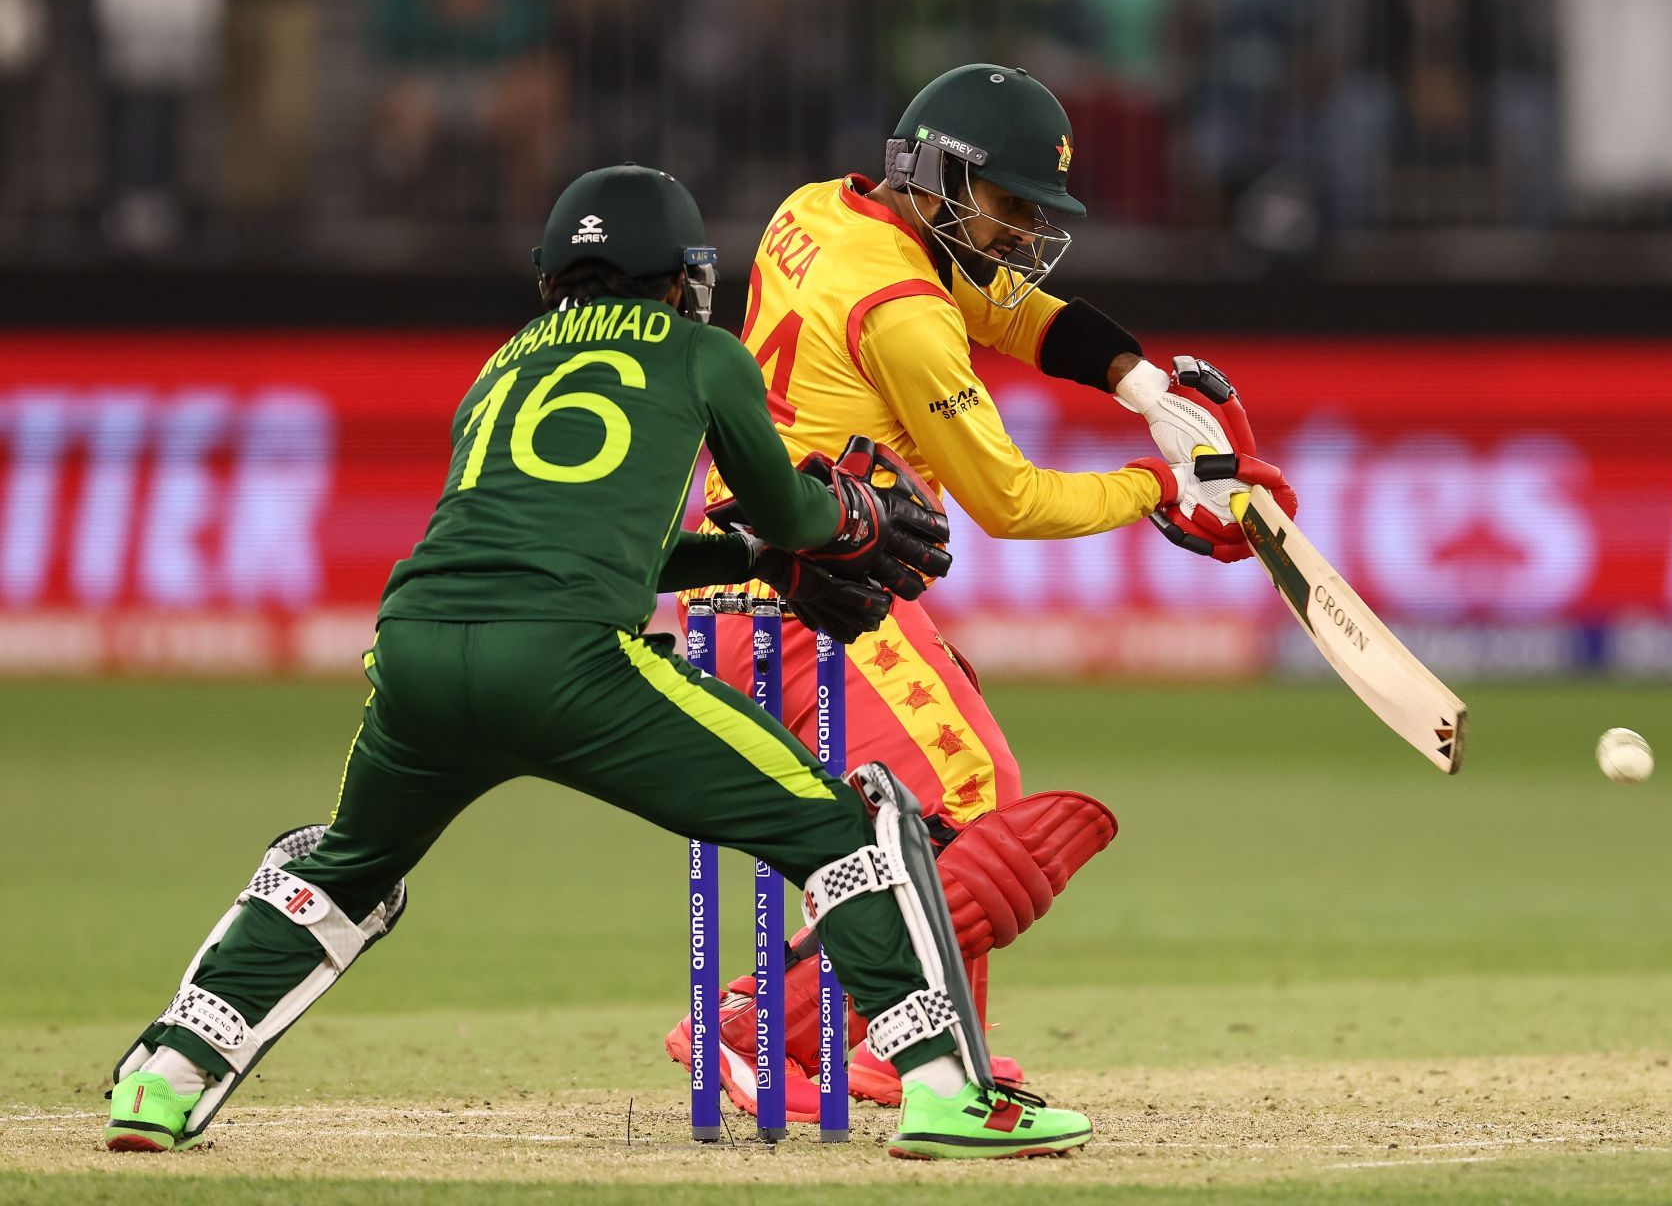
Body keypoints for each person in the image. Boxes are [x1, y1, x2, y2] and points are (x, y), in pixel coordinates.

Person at [101, 163, 1094, 1161]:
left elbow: (598, 539)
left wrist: (749, 559)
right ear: (681, 276)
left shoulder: (502, 365)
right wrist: (852, 516)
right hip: (572, 662)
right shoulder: (705, 354)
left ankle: (162, 1076)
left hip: (415, 649)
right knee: (842, 830)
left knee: (347, 870)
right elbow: (797, 510)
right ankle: (945, 1093)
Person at [663, 63, 1296, 1121]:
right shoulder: (902, 307)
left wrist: (1141, 387)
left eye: (1037, 212)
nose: (1022, 234)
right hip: (808, 592)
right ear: (934, 175)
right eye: (1008, 205)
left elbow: (1016, 313)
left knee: (948, 779)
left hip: (766, 579)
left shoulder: (820, 208)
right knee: (971, 790)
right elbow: (1008, 499)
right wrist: (1158, 485)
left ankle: (915, 1038)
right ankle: (756, 1023)